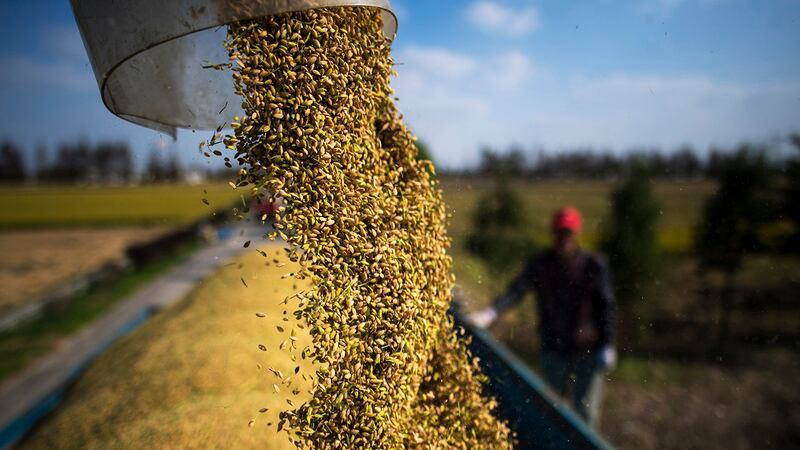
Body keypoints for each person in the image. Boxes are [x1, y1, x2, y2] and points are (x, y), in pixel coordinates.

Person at [468, 206, 617, 427]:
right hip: (554, 349)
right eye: (559, 233)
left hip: (587, 349)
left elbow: (606, 306)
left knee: (584, 414)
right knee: (552, 413)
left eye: (568, 233)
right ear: (553, 234)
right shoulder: (541, 264)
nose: (563, 238)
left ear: (576, 235)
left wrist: (608, 343)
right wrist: (491, 313)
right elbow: (516, 290)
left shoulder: (593, 265)